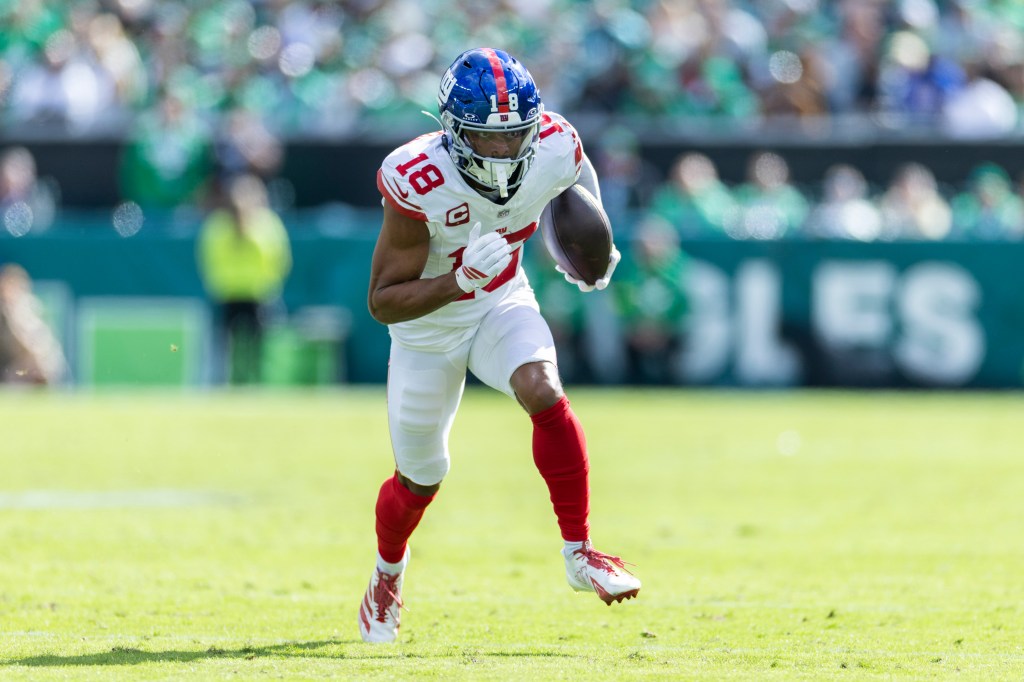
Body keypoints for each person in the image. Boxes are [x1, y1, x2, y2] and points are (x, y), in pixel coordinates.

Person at [360, 47, 641, 644]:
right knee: (421, 476)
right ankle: (388, 574)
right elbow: (383, 300)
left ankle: (579, 550)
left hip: (499, 299)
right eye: (489, 140)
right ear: (454, 132)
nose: (505, 151)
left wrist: (593, 246)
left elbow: (576, 177)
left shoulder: (554, 143)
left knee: (541, 386)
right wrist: (457, 278)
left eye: (515, 136)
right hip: (426, 331)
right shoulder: (418, 179)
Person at [196, 173, 292, 384]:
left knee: (257, 346)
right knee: (225, 346)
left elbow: (279, 258)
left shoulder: (266, 224)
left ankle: (255, 382)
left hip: (256, 295)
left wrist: (267, 283)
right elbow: (210, 258)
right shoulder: (219, 225)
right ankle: (226, 382)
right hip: (229, 294)